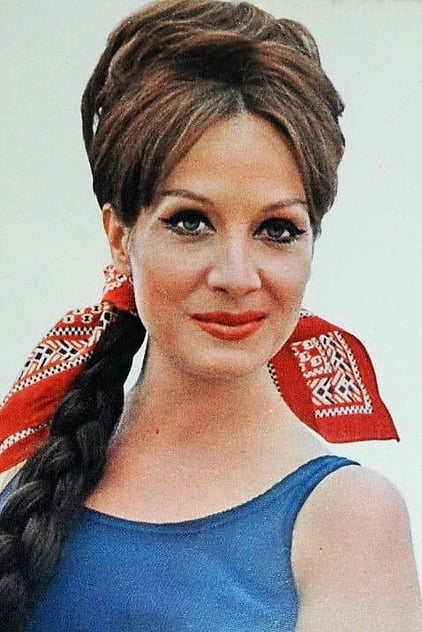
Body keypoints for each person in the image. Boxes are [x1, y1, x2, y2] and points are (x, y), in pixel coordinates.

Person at [0, 0, 421, 630]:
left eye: (277, 230)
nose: (236, 276)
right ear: (120, 238)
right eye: (191, 222)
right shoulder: (27, 472)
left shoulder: (348, 521)